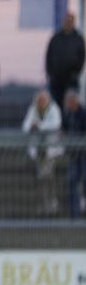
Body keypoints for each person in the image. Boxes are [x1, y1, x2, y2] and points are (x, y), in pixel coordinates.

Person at [23, 89, 63, 215]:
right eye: (39, 100)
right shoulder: (32, 109)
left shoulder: (54, 109)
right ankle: (44, 204)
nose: (41, 102)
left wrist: (38, 125)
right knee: (41, 178)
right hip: (38, 151)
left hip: (51, 151)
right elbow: (25, 126)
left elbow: (55, 125)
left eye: (43, 100)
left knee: (49, 177)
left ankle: (53, 203)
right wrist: (32, 126)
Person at [45, 12, 85, 108]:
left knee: (71, 107)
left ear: (73, 22)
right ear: (63, 22)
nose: (68, 23)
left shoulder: (78, 38)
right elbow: (48, 56)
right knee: (56, 106)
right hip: (56, 80)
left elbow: (82, 57)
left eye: (70, 21)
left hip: (72, 80)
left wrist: (75, 73)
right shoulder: (55, 38)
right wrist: (51, 74)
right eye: (66, 20)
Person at [63, 90, 86, 218]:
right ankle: (74, 213)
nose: (68, 104)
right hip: (72, 153)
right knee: (72, 181)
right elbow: (64, 130)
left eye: (70, 102)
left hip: (83, 154)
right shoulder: (68, 114)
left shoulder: (83, 114)